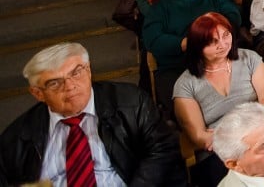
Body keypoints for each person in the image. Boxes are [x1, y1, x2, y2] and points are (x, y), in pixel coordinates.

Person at [0, 42, 186, 185]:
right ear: (38, 93)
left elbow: (163, 149)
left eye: (76, 73)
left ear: (89, 71)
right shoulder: (15, 141)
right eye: (54, 83)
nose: (70, 86)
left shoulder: (131, 102)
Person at [173, 13, 264, 187]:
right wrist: (237, 141)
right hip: (221, 152)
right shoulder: (185, 84)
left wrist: (249, 133)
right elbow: (199, 136)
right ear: (197, 46)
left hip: (261, 133)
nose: (223, 45)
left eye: (226, 35)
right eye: (213, 41)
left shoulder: (250, 58)